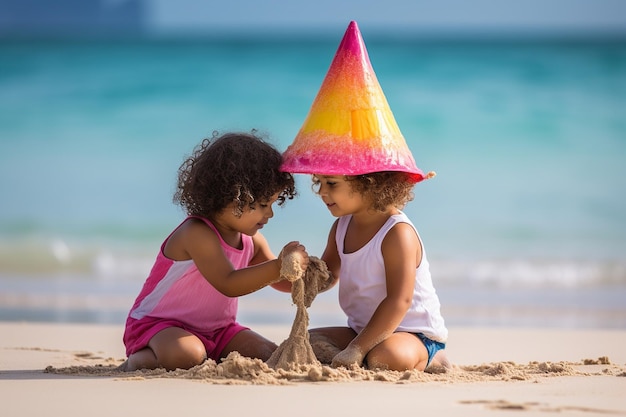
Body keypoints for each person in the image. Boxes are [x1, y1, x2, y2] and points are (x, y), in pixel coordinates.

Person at [120, 131, 308, 372]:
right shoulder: (197, 233)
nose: (269, 214)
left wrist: (308, 274)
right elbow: (228, 283)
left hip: (219, 330)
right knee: (187, 355)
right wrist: (277, 266)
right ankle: (141, 360)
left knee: (268, 353)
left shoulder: (252, 241)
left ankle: (208, 356)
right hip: (159, 325)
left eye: (272, 205)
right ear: (231, 196)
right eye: (262, 205)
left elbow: (280, 280)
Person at [307, 172, 449, 372]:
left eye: (331, 183)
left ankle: (433, 358)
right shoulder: (341, 226)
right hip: (362, 330)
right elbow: (327, 275)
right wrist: (301, 271)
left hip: (414, 333)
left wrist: (356, 348)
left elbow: (400, 300)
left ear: (370, 184)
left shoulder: (397, 233)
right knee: (308, 342)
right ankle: (365, 353)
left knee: (386, 357)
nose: (322, 191)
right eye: (319, 183)